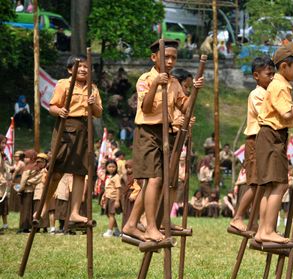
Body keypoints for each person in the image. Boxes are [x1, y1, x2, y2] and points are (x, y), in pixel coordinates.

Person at [122, 39, 204, 242]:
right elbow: (146, 108)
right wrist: (156, 84)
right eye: (165, 57)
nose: (169, 61)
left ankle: (132, 224)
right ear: (154, 57)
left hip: (165, 134)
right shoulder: (145, 79)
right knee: (154, 179)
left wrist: (194, 90)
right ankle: (150, 227)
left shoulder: (175, 82)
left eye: (173, 58)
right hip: (147, 132)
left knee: (157, 182)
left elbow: (186, 107)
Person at [254, 42, 293, 244]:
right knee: (280, 184)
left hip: (269, 135)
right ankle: (268, 229)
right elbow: (286, 113)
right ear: (283, 67)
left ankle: (263, 229)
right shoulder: (280, 86)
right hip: (272, 136)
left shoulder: (278, 84)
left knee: (271, 186)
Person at [36, 54, 103, 228]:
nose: (83, 69)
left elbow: (98, 112)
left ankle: (74, 212)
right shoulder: (63, 84)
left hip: (85, 129)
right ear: (69, 70)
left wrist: (92, 103)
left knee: (81, 172)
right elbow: (52, 106)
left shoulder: (93, 88)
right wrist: (60, 111)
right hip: (66, 128)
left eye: (86, 67)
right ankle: (42, 206)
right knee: (56, 171)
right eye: (79, 66)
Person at [229, 56, 275, 232]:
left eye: (273, 74)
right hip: (255, 140)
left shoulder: (269, 93)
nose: (271, 78)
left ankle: (254, 221)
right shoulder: (256, 94)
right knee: (255, 183)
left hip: (264, 141)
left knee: (262, 185)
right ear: (256, 76)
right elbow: (267, 114)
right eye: (268, 74)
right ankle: (238, 217)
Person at [17, 150, 42, 233]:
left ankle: (25, 226)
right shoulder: (36, 167)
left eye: (27, 157)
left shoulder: (27, 168)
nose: (25, 159)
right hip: (32, 190)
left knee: (26, 209)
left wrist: (20, 189)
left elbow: (23, 180)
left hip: (26, 190)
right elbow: (38, 178)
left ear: (31, 158)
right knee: (30, 209)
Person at [101, 160, 121, 237]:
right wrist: (104, 196)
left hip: (113, 198)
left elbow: (118, 189)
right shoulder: (108, 177)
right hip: (108, 198)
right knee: (108, 214)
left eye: (113, 167)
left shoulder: (116, 177)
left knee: (111, 214)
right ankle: (116, 231)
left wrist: (117, 201)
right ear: (106, 167)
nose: (111, 168)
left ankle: (109, 232)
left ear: (116, 168)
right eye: (109, 167)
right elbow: (107, 188)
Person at [32, 153, 49, 232]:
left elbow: (36, 180)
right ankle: (37, 227)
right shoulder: (37, 170)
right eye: (37, 162)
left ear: (45, 162)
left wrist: (28, 181)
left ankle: (44, 226)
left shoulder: (44, 171)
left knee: (42, 210)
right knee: (37, 208)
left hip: (42, 192)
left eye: (40, 162)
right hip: (37, 193)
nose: (38, 164)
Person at [0, 135, 11, 232]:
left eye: (5, 143)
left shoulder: (1, 155)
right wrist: (3, 180)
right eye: (2, 143)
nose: (4, 145)